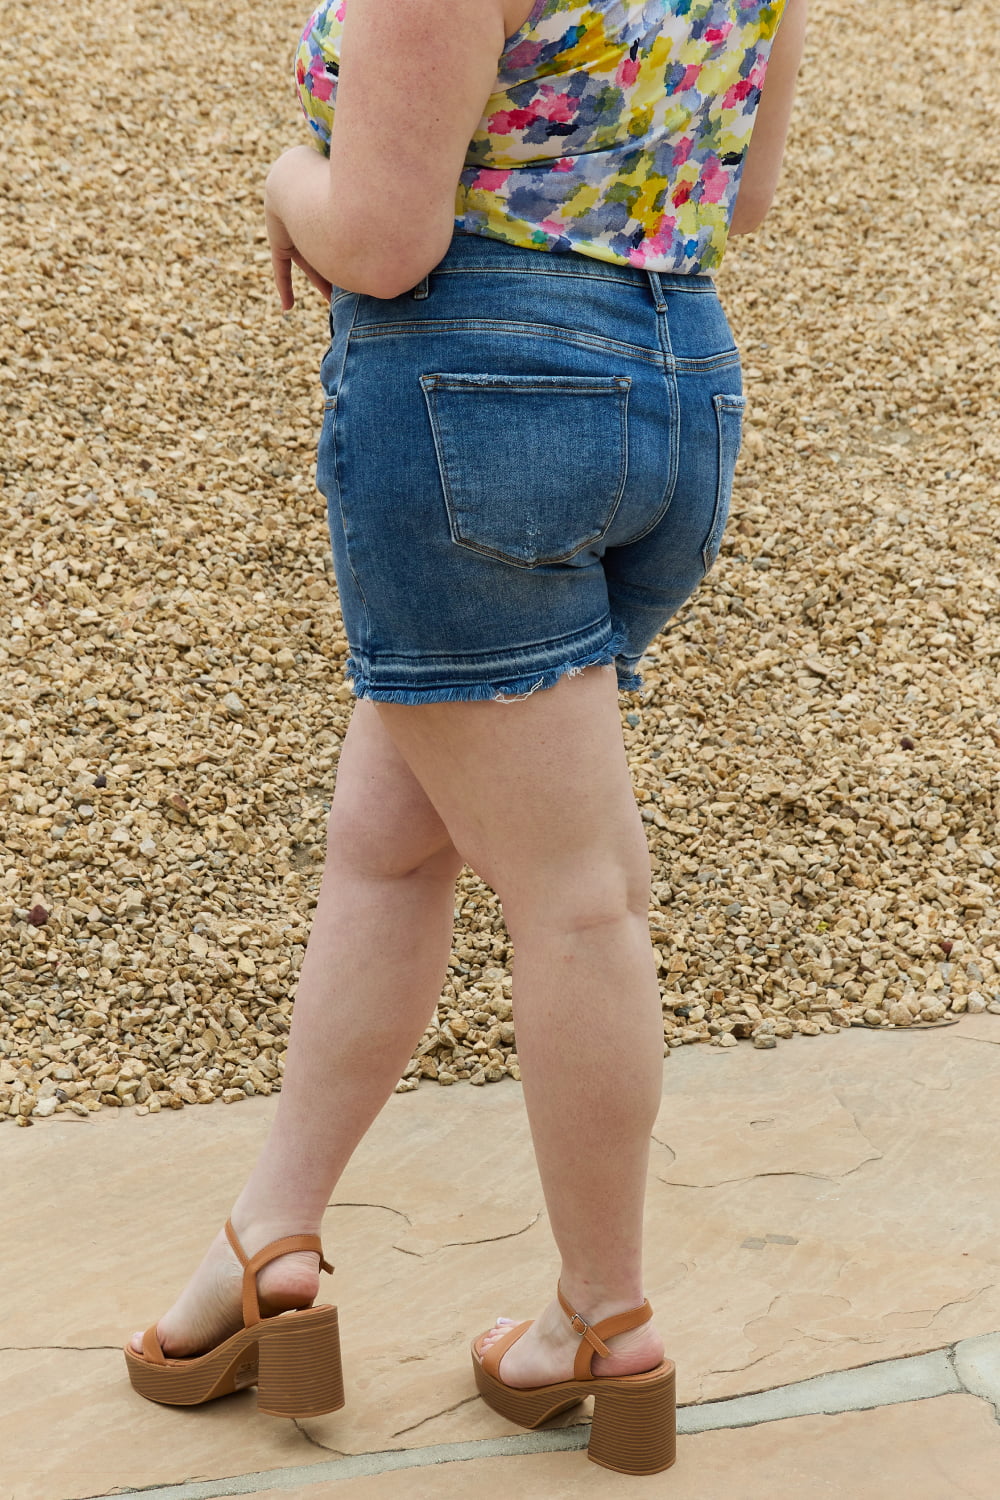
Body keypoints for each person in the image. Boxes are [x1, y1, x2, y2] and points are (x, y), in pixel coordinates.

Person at [124, 0, 808, 1475]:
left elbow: (382, 240)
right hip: (678, 386)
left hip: (480, 396)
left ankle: (607, 1324)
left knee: (577, 895)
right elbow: (742, 190)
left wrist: (281, 178)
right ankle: (266, 1243)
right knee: (388, 843)